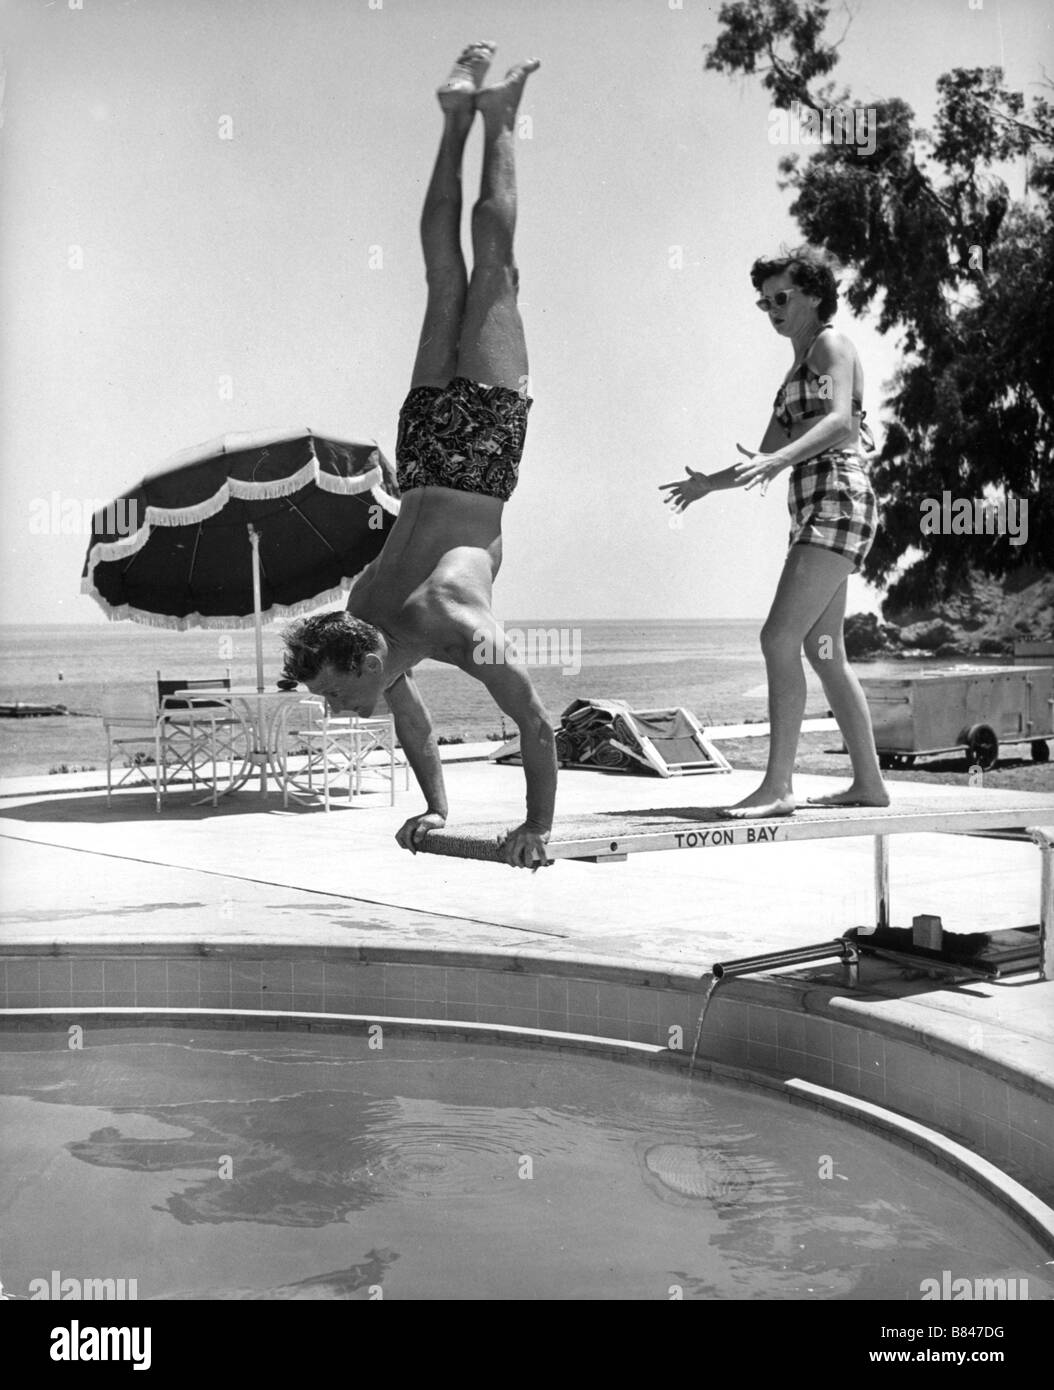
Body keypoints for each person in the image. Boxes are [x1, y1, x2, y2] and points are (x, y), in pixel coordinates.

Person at [282, 43, 554, 868]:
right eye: (331, 701)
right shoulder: (368, 618)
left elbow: (536, 724)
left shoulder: (448, 625)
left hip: (476, 454)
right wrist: (436, 810)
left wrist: (537, 829)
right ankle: (454, 116)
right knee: (442, 279)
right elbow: (419, 732)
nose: (332, 711)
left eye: (332, 693)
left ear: (361, 659)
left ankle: (496, 118)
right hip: (429, 442)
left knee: (490, 275)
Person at [660, 246, 889, 817]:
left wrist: (777, 461)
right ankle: (870, 784)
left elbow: (840, 421)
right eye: (764, 302)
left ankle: (779, 786)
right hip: (811, 499)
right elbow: (765, 455)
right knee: (822, 648)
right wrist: (709, 484)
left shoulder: (832, 344)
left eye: (781, 298)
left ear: (813, 294)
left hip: (838, 492)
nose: (771, 310)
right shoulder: (793, 370)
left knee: (777, 638)